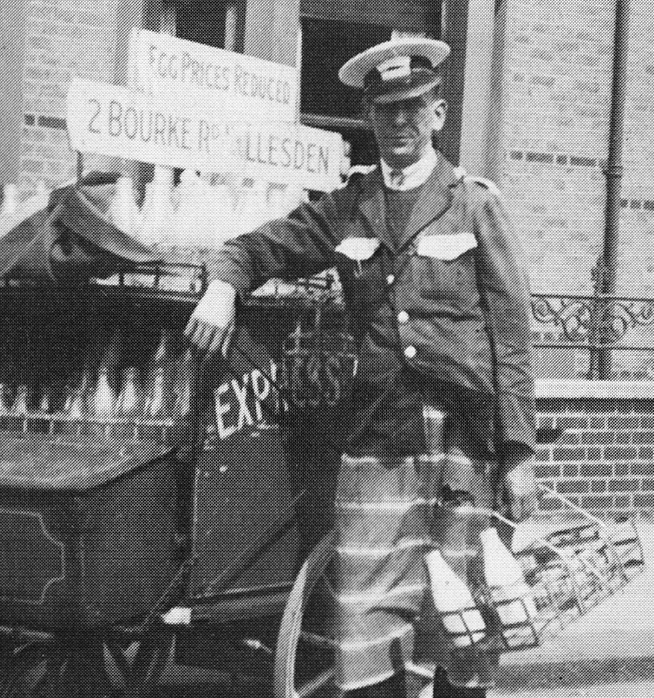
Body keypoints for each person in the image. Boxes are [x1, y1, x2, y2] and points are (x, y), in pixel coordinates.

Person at [182, 38, 541, 698]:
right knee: (365, 615)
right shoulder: (349, 207)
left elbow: (511, 341)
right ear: (370, 119)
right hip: (378, 434)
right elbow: (263, 246)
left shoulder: (474, 204)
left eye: (412, 108)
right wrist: (224, 284)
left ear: (437, 115)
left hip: (463, 438)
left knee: (464, 616)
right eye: (384, 110)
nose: (399, 122)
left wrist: (519, 453)